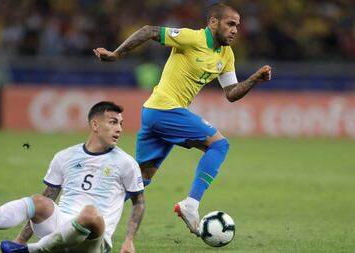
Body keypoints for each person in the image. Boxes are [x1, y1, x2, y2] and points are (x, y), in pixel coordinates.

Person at [93, 3, 271, 236]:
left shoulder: (226, 54)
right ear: (213, 23)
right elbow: (149, 30)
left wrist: (254, 79)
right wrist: (117, 53)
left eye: (237, 25)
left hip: (154, 113)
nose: (235, 30)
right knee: (219, 144)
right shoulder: (191, 38)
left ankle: (90, 214)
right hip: (164, 109)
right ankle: (191, 204)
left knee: (141, 178)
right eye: (230, 24)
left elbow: (231, 93)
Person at [0, 101, 145, 253]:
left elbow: (139, 202)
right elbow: (48, 197)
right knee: (38, 200)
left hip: (94, 241)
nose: (119, 129)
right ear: (95, 125)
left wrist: (128, 240)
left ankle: (33, 250)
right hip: (60, 228)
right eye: (113, 122)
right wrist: (20, 238)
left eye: (120, 123)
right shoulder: (65, 156)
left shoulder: (126, 163)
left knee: (90, 213)